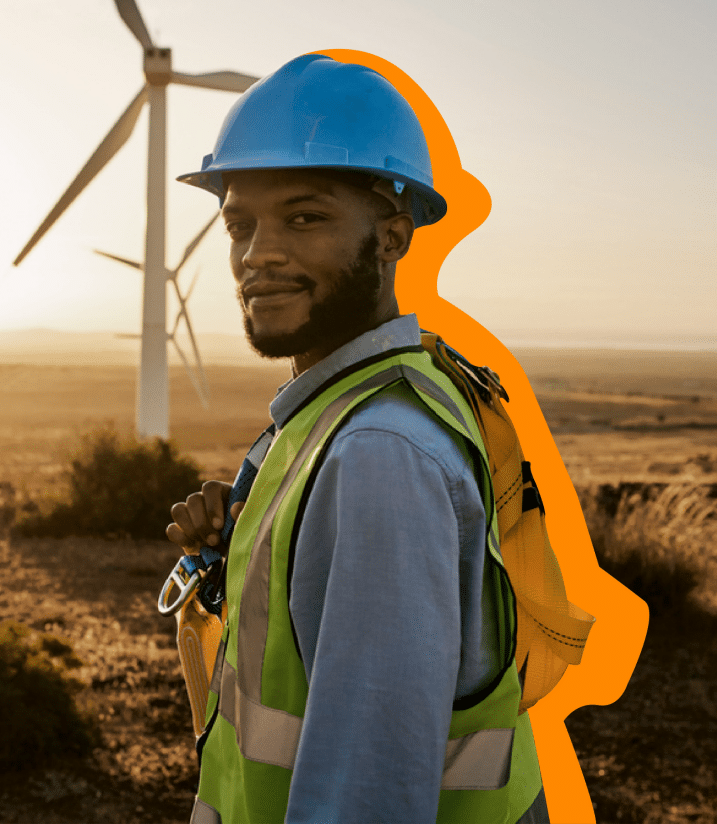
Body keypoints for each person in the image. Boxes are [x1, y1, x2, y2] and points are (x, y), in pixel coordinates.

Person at [166, 53, 550, 824]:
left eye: (304, 217)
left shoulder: (379, 455)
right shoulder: (348, 409)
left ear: (392, 237)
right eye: (240, 224)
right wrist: (248, 541)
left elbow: (367, 794)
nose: (256, 253)